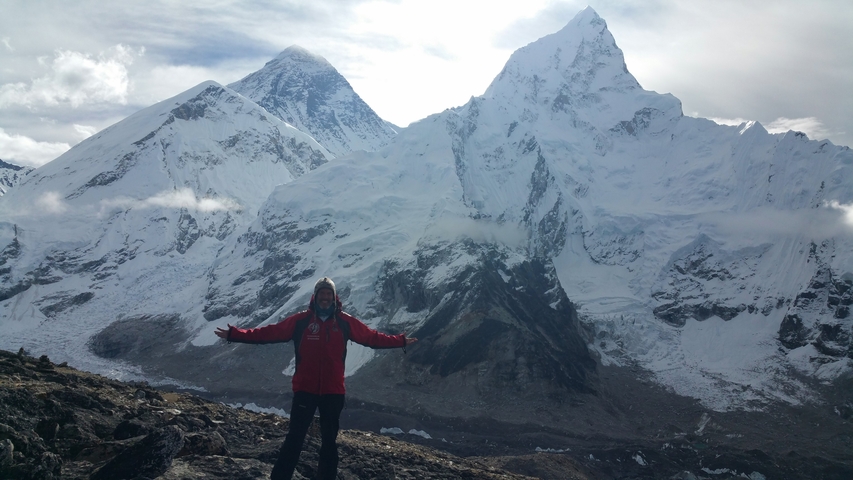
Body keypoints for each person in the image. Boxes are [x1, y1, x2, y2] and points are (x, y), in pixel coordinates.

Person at [215, 277, 417, 480]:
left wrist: (399, 341)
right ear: (316, 296)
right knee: (294, 438)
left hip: (333, 392)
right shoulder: (301, 321)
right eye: (322, 293)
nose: (325, 297)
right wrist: (235, 334)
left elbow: (371, 337)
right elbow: (269, 333)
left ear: (334, 297)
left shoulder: (345, 322)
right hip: (305, 390)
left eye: (329, 294)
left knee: (329, 443)